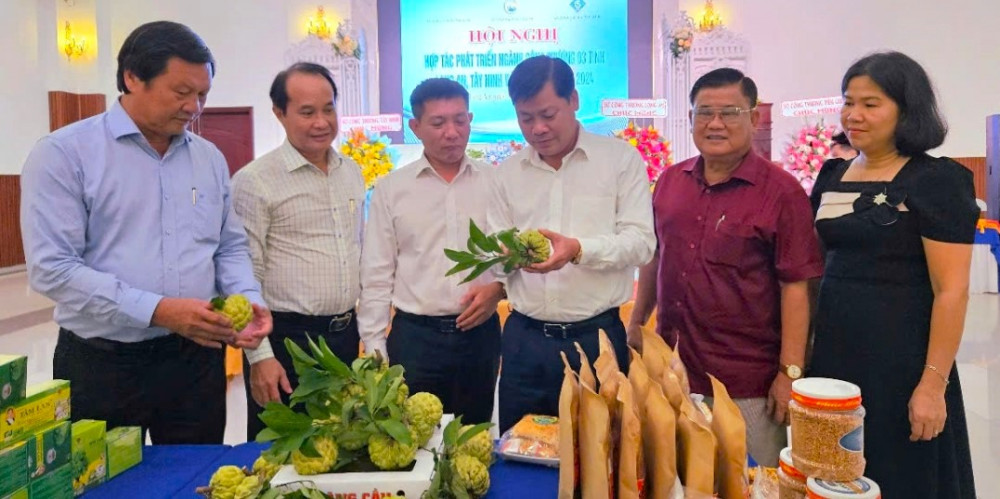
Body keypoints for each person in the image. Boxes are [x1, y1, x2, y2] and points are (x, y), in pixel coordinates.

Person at [20, 21, 271, 444]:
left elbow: (227, 246)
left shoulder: (208, 158)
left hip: (194, 362)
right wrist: (159, 310)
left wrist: (247, 297)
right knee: (106, 477)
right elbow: (53, 269)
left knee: (196, 473)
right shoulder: (65, 154)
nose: (194, 107)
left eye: (203, 94)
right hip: (103, 363)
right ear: (133, 77)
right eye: (181, 92)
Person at [628, 68, 823, 466]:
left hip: (746, 384)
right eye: (704, 112)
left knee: (748, 482)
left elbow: (796, 286)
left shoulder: (782, 193)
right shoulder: (670, 181)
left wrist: (790, 372)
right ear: (690, 118)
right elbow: (655, 256)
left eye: (729, 113)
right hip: (673, 369)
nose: (715, 124)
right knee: (676, 479)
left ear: (753, 118)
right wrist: (636, 322)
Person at [809, 51, 977, 497]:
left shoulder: (936, 180)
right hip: (835, 354)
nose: (854, 115)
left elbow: (952, 290)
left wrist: (932, 384)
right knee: (836, 474)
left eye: (871, 104)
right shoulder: (832, 174)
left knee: (902, 474)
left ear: (907, 110)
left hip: (903, 362)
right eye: (848, 102)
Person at [489, 56, 656, 433]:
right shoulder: (508, 174)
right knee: (521, 449)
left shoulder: (619, 161)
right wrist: (503, 257)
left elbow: (641, 243)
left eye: (548, 114)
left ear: (574, 100)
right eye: (525, 118)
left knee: (601, 452)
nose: (538, 128)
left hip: (597, 341)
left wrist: (579, 250)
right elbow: (495, 254)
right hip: (525, 343)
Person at [232, 62, 365, 440]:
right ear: (280, 113)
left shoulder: (351, 172)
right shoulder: (255, 181)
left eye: (328, 109)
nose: (321, 122)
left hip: (344, 337)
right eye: (307, 112)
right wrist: (261, 357)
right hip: (287, 342)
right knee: (282, 451)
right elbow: (243, 276)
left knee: (342, 445)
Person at [358, 78, 503, 424]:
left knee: (473, 437)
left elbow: (514, 255)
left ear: (470, 119)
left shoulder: (497, 182)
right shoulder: (392, 189)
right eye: (438, 123)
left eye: (460, 120)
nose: (452, 132)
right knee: (414, 439)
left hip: (479, 335)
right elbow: (377, 272)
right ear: (416, 127)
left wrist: (500, 288)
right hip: (416, 340)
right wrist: (374, 347)